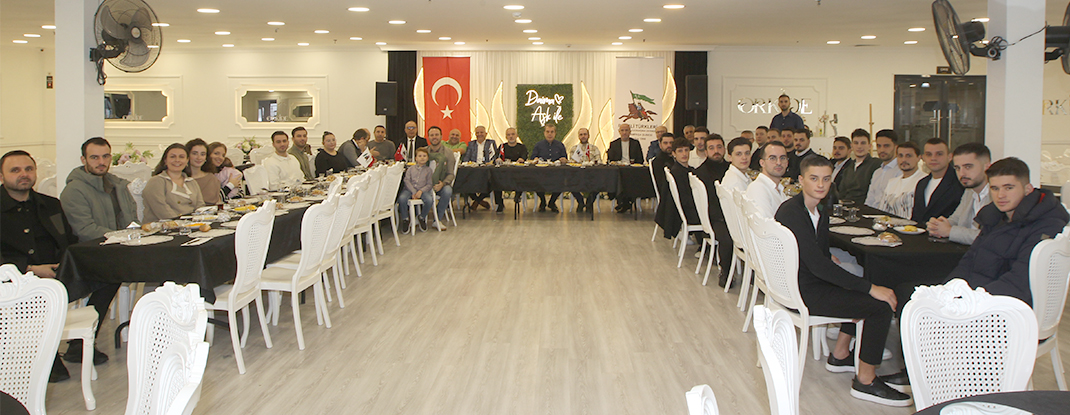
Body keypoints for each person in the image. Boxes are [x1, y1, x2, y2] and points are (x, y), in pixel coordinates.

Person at [775, 155, 911, 407]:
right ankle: (866, 381)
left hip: (804, 282)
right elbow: (817, 266)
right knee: (879, 306)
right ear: (801, 180)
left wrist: (830, 261)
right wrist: (869, 288)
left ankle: (840, 354)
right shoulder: (792, 212)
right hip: (804, 290)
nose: (821, 185)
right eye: (814, 178)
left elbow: (817, 253)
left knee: (862, 280)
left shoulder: (816, 209)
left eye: (826, 179)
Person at [1, 150, 92, 383]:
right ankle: (42, 356)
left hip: (56, 275)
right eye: (15, 170)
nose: (24, 174)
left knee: (108, 277)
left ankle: (77, 345)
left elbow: (68, 240)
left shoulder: (50, 205)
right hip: (13, 280)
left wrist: (67, 264)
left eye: (28, 169)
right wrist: (30, 269)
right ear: (1, 176)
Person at [927, 143, 992, 245]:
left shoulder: (998, 195)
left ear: (987, 167)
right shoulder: (969, 191)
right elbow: (956, 219)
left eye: (968, 167)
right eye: (957, 168)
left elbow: (991, 236)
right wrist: (938, 225)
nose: (962, 174)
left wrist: (949, 231)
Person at [693, 134, 734, 286]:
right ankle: (726, 271)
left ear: (724, 149)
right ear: (706, 151)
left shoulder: (732, 169)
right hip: (715, 218)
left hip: (731, 213)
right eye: (711, 148)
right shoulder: (701, 172)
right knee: (728, 238)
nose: (716, 151)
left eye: (719, 147)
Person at [143, 143, 205, 223]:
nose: (177, 160)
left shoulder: (192, 182)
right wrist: (182, 223)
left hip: (192, 225)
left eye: (181, 157)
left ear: (187, 161)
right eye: (172, 157)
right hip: (164, 226)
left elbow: (200, 207)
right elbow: (162, 211)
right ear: (165, 160)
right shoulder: (156, 181)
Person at [910, 138, 964, 224]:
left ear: (950, 157)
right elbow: (916, 217)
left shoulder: (960, 183)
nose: (933, 158)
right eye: (929, 154)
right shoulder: (921, 183)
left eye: (939, 154)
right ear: (923, 158)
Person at [655, 137, 700, 239]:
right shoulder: (677, 173)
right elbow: (684, 198)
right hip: (686, 212)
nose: (684, 154)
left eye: (686, 150)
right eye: (680, 151)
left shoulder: (687, 170)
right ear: (674, 154)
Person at [876, 142, 925, 218]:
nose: (903, 160)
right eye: (900, 156)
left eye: (908, 156)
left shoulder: (924, 181)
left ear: (918, 158)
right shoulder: (892, 182)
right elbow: (882, 211)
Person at [837, 129, 882, 206]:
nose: (859, 146)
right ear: (852, 146)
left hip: (866, 207)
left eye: (863, 143)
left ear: (869, 146)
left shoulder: (876, 164)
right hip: (846, 207)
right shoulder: (848, 168)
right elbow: (842, 193)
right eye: (856, 143)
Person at [530, 123, 568, 212]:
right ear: (544, 133)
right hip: (541, 173)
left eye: (552, 132)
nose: (549, 134)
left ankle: (552, 202)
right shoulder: (538, 145)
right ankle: (543, 201)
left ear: (555, 133)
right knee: (535, 181)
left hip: (556, 173)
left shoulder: (560, 145)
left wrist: (563, 159)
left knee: (562, 182)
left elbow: (565, 158)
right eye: (547, 132)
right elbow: (533, 157)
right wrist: (535, 159)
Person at [746, 140, 790, 218]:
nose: (779, 162)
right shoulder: (758, 189)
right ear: (762, 163)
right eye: (772, 158)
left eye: (782, 158)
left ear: (787, 163)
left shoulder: (778, 188)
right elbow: (767, 223)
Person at [396, 148, 434, 233]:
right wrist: (413, 191)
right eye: (420, 156)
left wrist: (421, 191)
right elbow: (406, 180)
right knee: (402, 198)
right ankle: (405, 219)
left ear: (427, 158)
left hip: (422, 190)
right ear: (416, 158)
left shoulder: (429, 170)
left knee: (429, 200)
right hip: (409, 190)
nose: (422, 158)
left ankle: (422, 217)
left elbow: (429, 184)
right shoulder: (410, 169)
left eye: (424, 156)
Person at [464, 125, 501, 212]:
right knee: (464, 181)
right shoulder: (471, 144)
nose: (479, 134)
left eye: (481, 132)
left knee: (492, 181)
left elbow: (494, 157)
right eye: (477, 133)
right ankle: (480, 201)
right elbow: (466, 158)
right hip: (473, 170)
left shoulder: (491, 143)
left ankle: (477, 201)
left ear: (486, 134)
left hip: (487, 170)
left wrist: (490, 162)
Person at [425, 126, 456, 227]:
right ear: (428, 137)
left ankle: (437, 220)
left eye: (436, 135)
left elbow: (451, 174)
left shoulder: (448, 152)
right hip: (425, 185)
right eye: (432, 135)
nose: (434, 137)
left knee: (448, 191)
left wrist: (443, 183)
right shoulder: (423, 152)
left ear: (441, 136)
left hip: (441, 184)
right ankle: (419, 218)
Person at [864, 130, 901, 209]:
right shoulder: (877, 173)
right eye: (879, 146)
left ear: (896, 147)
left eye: (886, 146)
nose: (882, 150)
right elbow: (869, 201)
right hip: (872, 213)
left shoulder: (900, 172)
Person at [644, 133, 676, 215]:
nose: (669, 145)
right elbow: (661, 184)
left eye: (671, 143)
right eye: (665, 143)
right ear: (660, 145)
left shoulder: (676, 158)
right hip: (669, 195)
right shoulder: (658, 161)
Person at [568, 127, 600, 212]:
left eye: (585, 134)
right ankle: (580, 201)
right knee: (569, 182)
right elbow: (572, 162)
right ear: (578, 136)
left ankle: (589, 202)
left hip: (592, 175)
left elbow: (598, 161)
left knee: (600, 182)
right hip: (578, 175)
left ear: (588, 136)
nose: (583, 136)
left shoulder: (594, 148)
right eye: (581, 134)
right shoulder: (574, 149)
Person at [185, 139, 222, 206]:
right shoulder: (181, 178)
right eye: (195, 153)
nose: (199, 157)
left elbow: (218, 202)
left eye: (202, 154)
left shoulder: (212, 178)